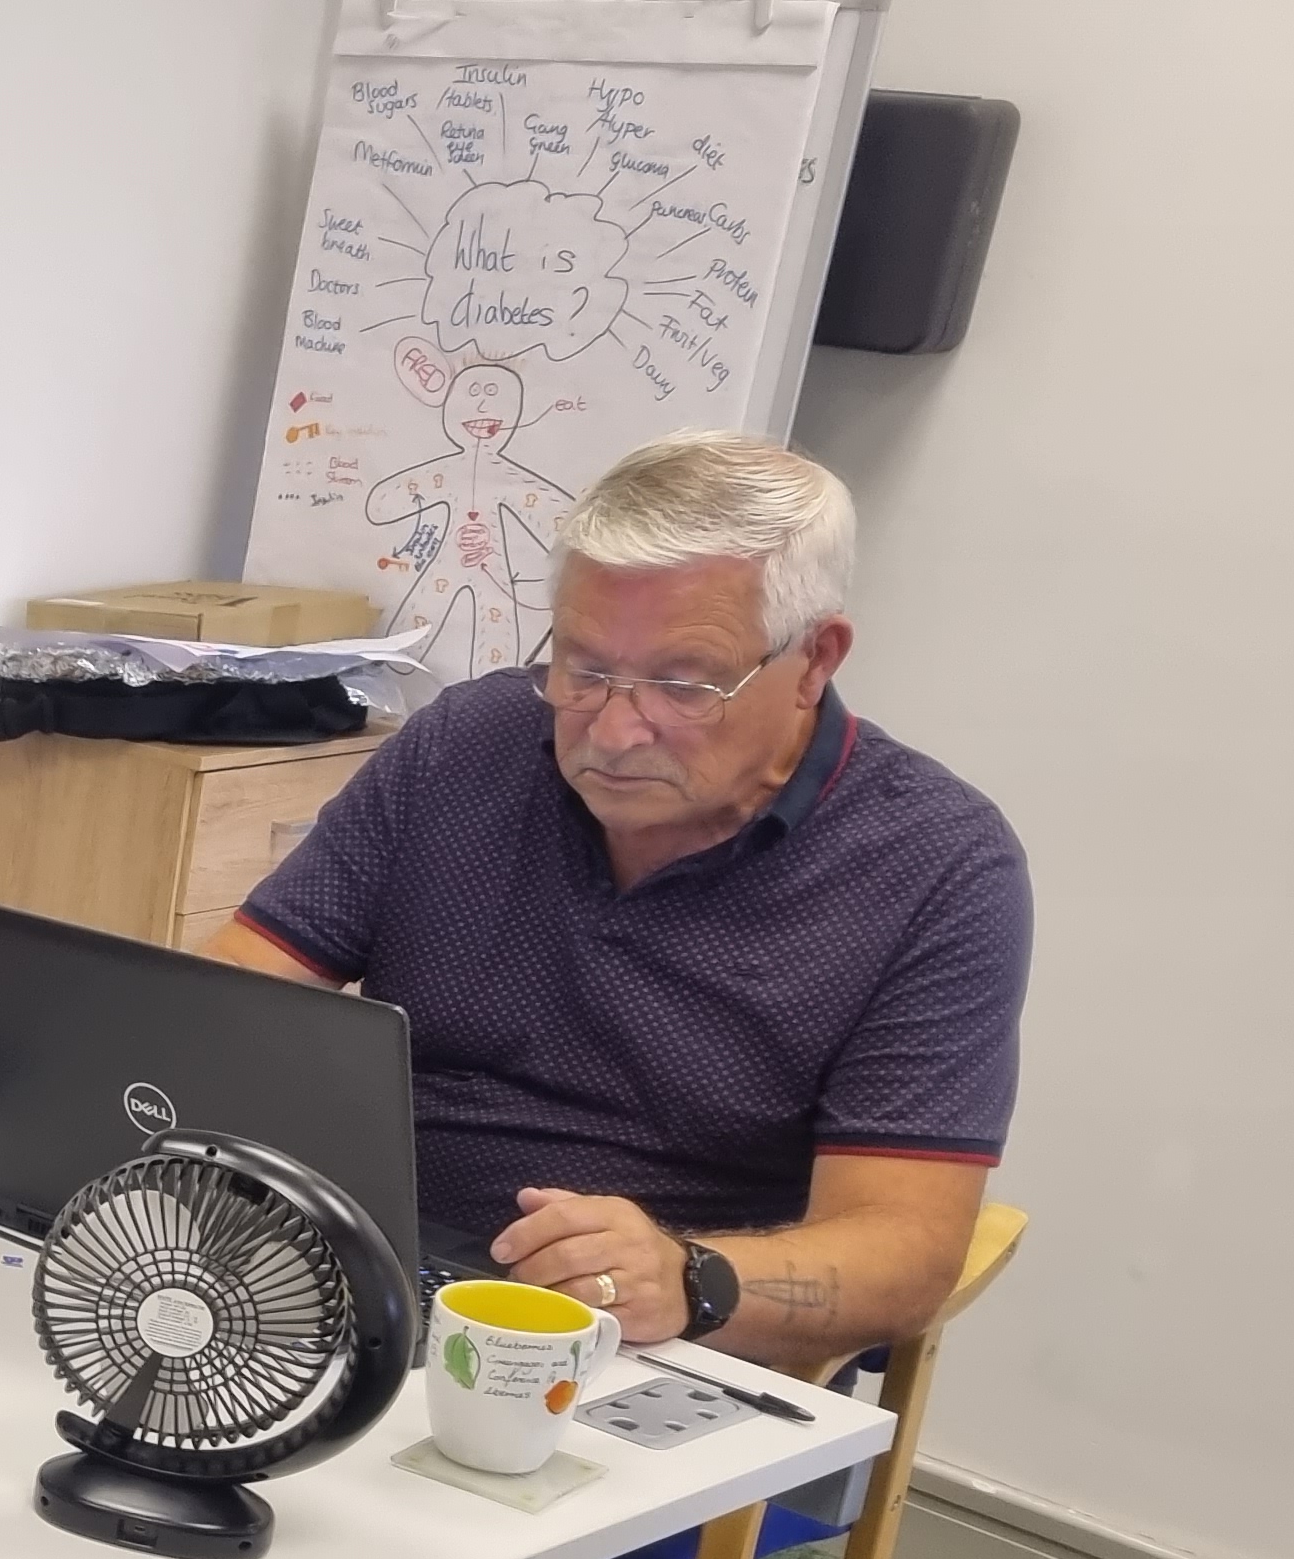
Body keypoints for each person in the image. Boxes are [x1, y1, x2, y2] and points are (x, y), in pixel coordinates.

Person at [212, 431, 1030, 1383]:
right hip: (364, 1280)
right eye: (584, 667)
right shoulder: (472, 746)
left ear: (816, 661)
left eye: (683, 684)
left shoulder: (934, 865)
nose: (612, 728)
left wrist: (691, 1279)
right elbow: (232, 1006)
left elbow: (907, 1253)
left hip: (666, 1350)